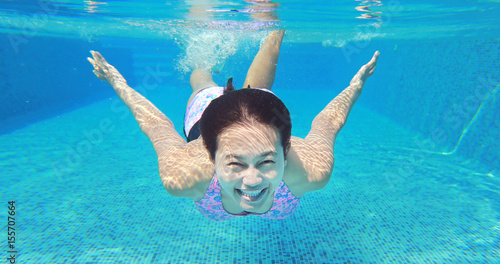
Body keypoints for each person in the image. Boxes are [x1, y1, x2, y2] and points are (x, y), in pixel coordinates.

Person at [87, 30, 379, 221]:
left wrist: (356, 86)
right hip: (208, 117)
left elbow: (329, 124)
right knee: (202, 81)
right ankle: (205, 52)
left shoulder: (310, 171)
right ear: (209, 156)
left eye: (266, 161)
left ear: (286, 150)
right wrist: (117, 82)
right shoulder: (186, 174)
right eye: (235, 164)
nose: (252, 181)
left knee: (260, 82)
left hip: (259, 111)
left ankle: (273, 26)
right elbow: (157, 127)